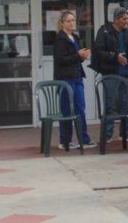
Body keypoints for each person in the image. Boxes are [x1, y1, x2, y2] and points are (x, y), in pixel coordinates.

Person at [93, 6, 128, 142]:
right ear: (116, 19)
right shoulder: (104, 31)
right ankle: (107, 134)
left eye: (127, 18)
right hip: (110, 73)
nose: (126, 21)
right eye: (123, 19)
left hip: (127, 74)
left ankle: (126, 132)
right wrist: (115, 57)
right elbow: (98, 51)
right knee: (110, 105)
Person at [53, 10, 96, 150]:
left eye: (73, 20)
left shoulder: (75, 37)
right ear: (62, 23)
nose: (72, 23)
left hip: (77, 76)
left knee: (80, 108)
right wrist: (78, 56)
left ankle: (83, 139)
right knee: (66, 110)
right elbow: (61, 59)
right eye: (68, 21)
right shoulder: (60, 38)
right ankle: (65, 141)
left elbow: (75, 57)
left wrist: (82, 56)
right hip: (65, 78)